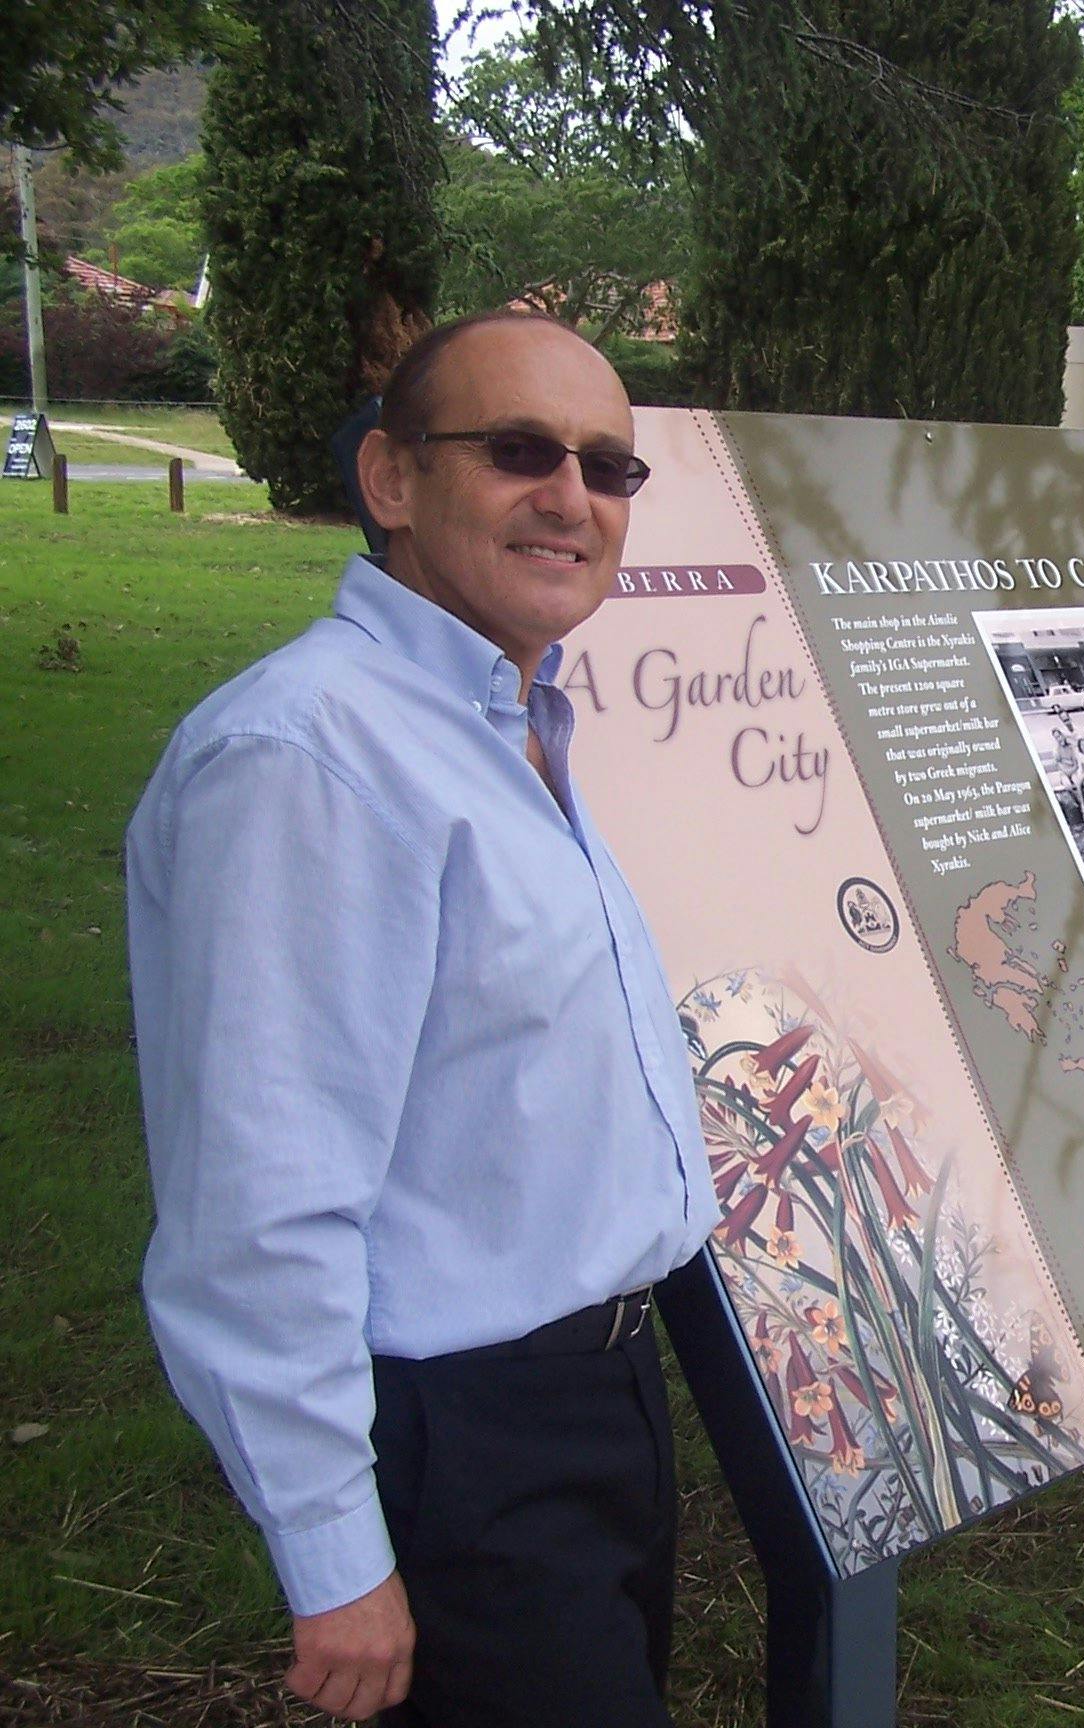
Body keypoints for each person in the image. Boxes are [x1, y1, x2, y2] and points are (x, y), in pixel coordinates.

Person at [127, 311, 716, 1723]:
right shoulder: (309, 758)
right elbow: (261, 1206)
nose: (570, 499)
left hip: (601, 1404)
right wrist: (337, 1562)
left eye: (609, 468)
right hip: (461, 1439)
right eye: (519, 451)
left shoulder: (512, 723)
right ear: (392, 481)